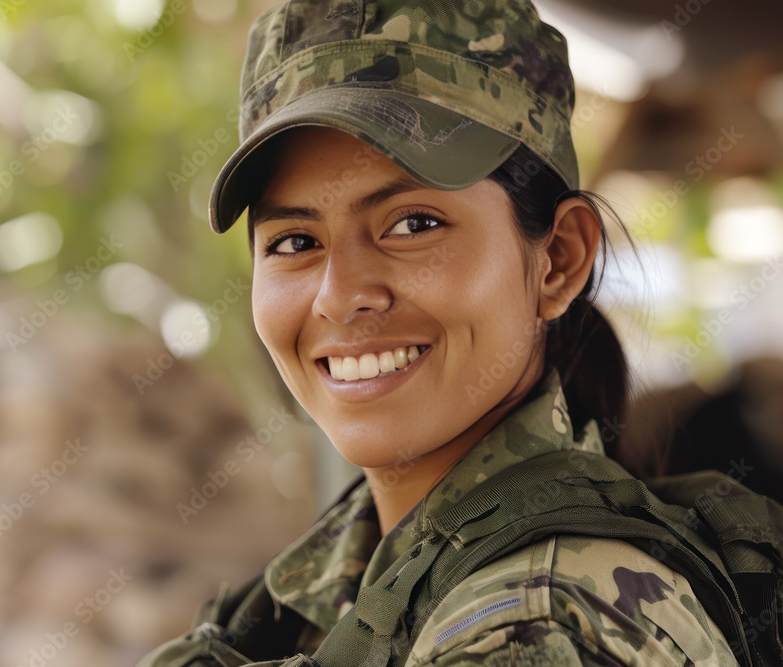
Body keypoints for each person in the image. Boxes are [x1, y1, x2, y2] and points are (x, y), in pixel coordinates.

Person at [138, 0, 741, 664]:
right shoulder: (324, 591)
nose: (340, 296)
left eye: (413, 224)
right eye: (296, 240)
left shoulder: (538, 624)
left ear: (559, 258)